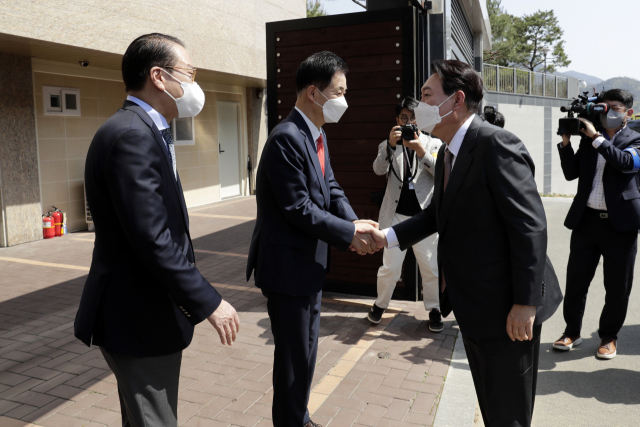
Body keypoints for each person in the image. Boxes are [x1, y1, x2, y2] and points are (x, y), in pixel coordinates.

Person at [366, 59, 562, 427]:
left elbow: (530, 228)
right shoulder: (446, 154)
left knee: (508, 412)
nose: (419, 108)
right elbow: (434, 215)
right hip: (474, 307)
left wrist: (525, 302)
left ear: (456, 101)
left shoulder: (495, 144)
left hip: (508, 310)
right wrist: (387, 237)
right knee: (491, 404)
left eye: (426, 96)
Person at [74, 33, 240, 427]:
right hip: (137, 318)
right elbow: (153, 238)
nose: (195, 84)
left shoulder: (144, 129)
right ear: (159, 77)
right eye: (190, 72)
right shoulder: (133, 135)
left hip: (144, 315)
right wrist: (209, 301)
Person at [246, 51, 379, 427]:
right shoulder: (286, 137)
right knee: (292, 358)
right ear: (312, 92)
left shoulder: (316, 133)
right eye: (338, 91)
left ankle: (299, 418)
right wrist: (350, 234)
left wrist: (355, 223)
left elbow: (331, 187)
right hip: (288, 269)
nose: (343, 100)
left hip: (309, 265)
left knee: (306, 353)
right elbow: (298, 207)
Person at [554, 89, 640, 359]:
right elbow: (571, 174)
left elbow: (626, 163)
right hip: (587, 221)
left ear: (628, 112)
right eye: (602, 107)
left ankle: (609, 336)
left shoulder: (636, 138)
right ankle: (572, 331)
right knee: (577, 281)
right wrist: (567, 142)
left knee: (617, 286)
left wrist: (596, 138)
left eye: (613, 107)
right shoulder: (589, 139)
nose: (606, 112)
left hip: (621, 225)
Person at [368, 97, 444, 331]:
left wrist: (420, 151)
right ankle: (380, 305)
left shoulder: (433, 144)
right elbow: (378, 170)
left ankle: (434, 310)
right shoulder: (389, 143)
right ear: (397, 120)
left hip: (425, 219)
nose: (409, 122)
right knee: (390, 267)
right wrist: (390, 147)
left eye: (413, 118)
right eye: (404, 118)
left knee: (430, 268)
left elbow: (441, 173)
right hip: (396, 217)